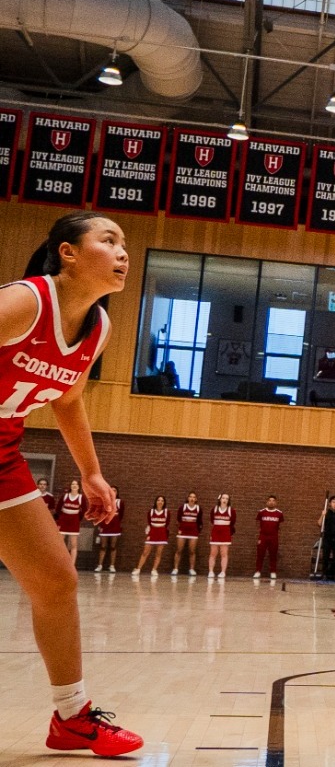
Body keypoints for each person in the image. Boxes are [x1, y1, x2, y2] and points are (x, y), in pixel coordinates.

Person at [0, 211, 145, 753]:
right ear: (68, 252)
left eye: (125, 243)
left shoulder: (99, 327)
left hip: (4, 453)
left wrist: (91, 473)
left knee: (56, 582)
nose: (123, 251)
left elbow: (67, 398)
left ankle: (72, 717)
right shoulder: (24, 302)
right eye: (109, 241)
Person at [88, 486, 121, 572]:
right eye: (112, 490)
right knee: (103, 546)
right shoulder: (104, 501)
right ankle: (100, 565)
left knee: (113, 546)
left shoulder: (120, 502)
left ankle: (112, 566)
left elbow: (121, 515)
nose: (113, 492)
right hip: (105, 526)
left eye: (115, 491)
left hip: (115, 527)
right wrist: (100, 524)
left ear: (117, 493)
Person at [135, 495, 169, 576]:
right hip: (153, 532)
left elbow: (167, 523)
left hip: (161, 533)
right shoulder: (151, 511)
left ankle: (154, 570)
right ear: (156, 501)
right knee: (145, 552)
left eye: (162, 500)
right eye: (158, 500)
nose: (160, 502)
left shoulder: (167, 512)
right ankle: (138, 569)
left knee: (158, 553)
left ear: (164, 503)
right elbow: (149, 522)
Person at [172, 490, 201, 576]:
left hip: (193, 532)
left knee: (192, 551)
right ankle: (175, 569)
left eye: (194, 497)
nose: (192, 498)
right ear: (187, 498)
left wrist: (197, 531)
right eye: (190, 497)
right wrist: (180, 529)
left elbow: (199, 521)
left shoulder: (198, 508)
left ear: (196, 499)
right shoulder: (182, 507)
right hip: (183, 531)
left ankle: (191, 569)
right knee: (179, 550)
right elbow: (178, 519)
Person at [253, 497, 283, 579]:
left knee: (273, 555)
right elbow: (257, 523)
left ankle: (273, 572)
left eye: (273, 501)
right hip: (263, 536)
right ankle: (257, 571)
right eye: (269, 500)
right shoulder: (261, 512)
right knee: (260, 554)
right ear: (267, 502)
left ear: (276, 502)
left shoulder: (279, 513)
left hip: (274, 537)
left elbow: (281, 525)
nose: (271, 502)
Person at [206, 493, 235, 579]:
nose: (225, 500)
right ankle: (211, 571)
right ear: (220, 499)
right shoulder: (214, 509)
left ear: (228, 500)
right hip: (215, 532)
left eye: (227, 498)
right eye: (223, 498)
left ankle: (223, 572)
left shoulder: (231, 510)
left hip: (225, 532)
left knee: (224, 553)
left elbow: (233, 522)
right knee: (213, 553)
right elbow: (212, 520)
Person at [55, 480, 84, 564]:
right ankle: (59, 562)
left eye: (76, 484)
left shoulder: (81, 498)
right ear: (70, 486)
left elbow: (84, 511)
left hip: (74, 521)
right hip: (63, 520)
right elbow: (58, 509)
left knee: (73, 544)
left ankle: (72, 564)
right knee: (59, 543)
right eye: (72, 484)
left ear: (79, 487)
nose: (74, 485)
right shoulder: (65, 496)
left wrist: (77, 519)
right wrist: (61, 519)